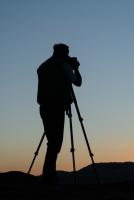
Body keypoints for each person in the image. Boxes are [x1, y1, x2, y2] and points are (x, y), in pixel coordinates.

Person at [37, 43, 82, 184]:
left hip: (45, 107)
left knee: (52, 142)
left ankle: (49, 176)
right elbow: (78, 82)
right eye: (67, 53)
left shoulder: (43, 66)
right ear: (63, 53)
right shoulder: (63, 66)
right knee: (55, 143)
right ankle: (49, 178)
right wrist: (75, 68)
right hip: (57, 107)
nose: (68, 55)